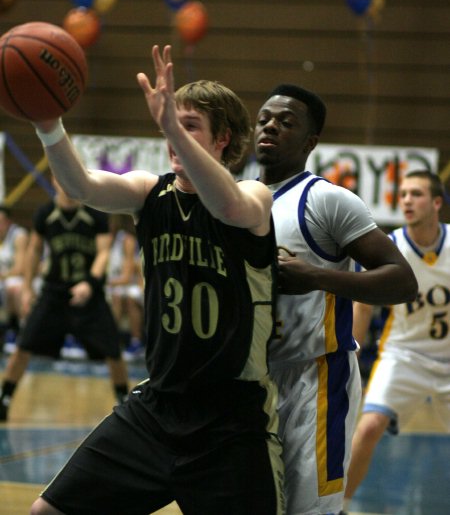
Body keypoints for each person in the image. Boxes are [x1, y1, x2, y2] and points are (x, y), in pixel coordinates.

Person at [28, 45, 284, 515]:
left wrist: (170, 126)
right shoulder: (150, 193)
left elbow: (228, 207)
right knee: (47, 512)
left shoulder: (253, 195)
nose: (174, 137)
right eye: (172, 123)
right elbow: (82, 185)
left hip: (230, 421)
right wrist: (48, 124)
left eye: (190, 126)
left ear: (222, 139)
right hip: (157, 409)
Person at [254, 83, 418, 515]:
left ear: (310, 142)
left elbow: (402, 282)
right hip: (251, 380)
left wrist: (317, 277)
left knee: (309, 510)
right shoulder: (234, 199)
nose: (270, 125)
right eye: (264, 119)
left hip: (315, 379)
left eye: (286, 122)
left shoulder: (325, 199)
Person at [343, 170, 450, 513]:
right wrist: (351, 358)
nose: (406, 200)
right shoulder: (390, 247)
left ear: (436, 203)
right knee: (370, 425)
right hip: (404, 355)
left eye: (415, 194)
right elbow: (362, 307)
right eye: (402, 194)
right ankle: (339, 505)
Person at [0, 178, 129, 422]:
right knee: (23, 346)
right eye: (62, 178)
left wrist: (90, 283)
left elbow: (103, 253)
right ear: (54, 182)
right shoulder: (45, 213)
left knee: (113, 351)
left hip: (89, 296)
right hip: (54, 294)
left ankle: (124, 401)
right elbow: (35, 250)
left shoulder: (94, 213)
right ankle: (5, 398)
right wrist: (27, 287)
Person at [106, 213, 145, 361]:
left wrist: (103, 282)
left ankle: (134, 343)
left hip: (133, 284)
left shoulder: (126, 239)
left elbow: (127, 277)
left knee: (124, 296)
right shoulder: (109, 239)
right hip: (116, 283)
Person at [0, 205, 29, 354]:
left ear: (8, 222)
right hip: (5, 279)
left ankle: (19, 331)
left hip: (25, 279)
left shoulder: (19, 235)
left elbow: (20, 269)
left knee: (13, 287)